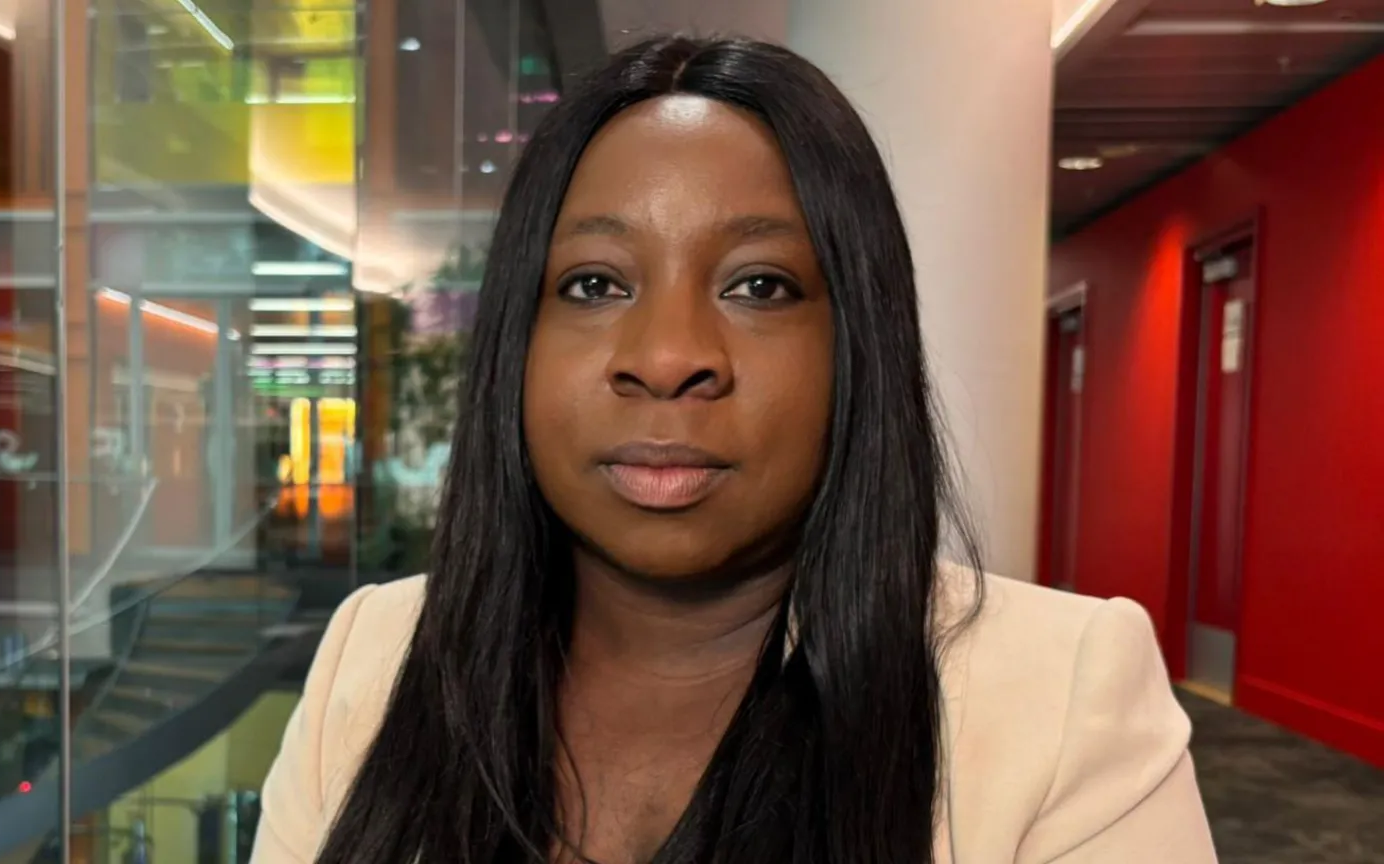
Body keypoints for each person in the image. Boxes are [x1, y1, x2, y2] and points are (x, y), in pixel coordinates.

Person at [250, 36, 1218, 864]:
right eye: (594, 284)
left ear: (858, 346)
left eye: (760, 286)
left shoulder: (1063, 690)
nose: (669, 358)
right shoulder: (374, 650)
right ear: (516, 340)